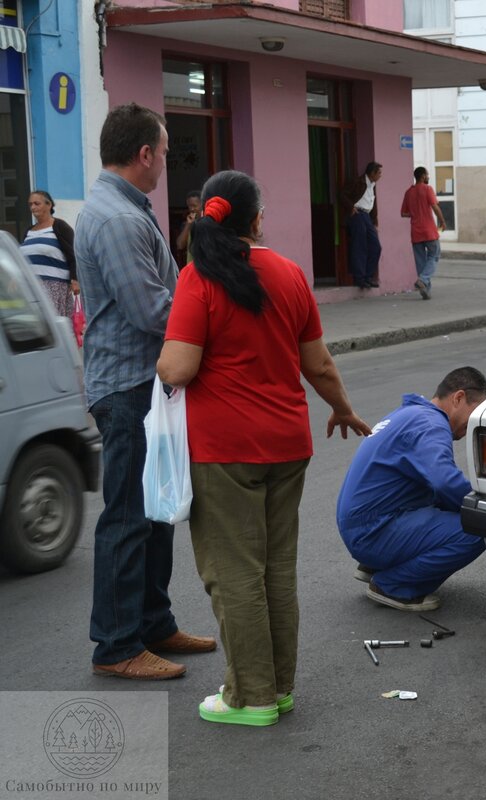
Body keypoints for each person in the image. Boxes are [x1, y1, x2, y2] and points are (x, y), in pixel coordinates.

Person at [157, 170, 371, 727]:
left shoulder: (198, 277)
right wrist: (343, 409)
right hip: (287, 444)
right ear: (256, 220)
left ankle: (249, 698)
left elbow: (178, 367)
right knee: (276, 570)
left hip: (224, 451)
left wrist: (155, 359)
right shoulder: (291, 274)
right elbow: (318, 364)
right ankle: (277, 689)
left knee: (235, 574)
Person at [75, 102, 214, 681]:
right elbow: (151, 309)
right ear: (144, 154)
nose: (165, 162)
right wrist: (212, 311)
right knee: (130, 518)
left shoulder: (123, 208)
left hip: (142, 387)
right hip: (127, 388)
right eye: (162, 150)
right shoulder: (119, 220)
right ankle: (115, 645)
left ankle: (153, 624)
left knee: (155, 513)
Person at [336, 367, 486, 612]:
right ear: (458, 398)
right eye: (475, 412)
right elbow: (445, 482)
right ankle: (393, 585)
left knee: (441, 501)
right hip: (372, 531)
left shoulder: (410, 414)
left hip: (361, 524)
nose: (474, 423)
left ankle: (376, 565)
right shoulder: (431, 424)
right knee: (477, 529)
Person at [20, 190, 76, 317]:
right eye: (30, 204)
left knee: (53, 328)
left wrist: (75, 279)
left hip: (54, 287)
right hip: (31, 288)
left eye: (36, 203)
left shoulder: (60, 226)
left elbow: (74, 255)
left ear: (49, 205)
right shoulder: (29, 231)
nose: (33, 207)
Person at [400, 166, 446, 300]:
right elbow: (435, 207)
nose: (428, 177)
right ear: (423, 176)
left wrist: (414, 213)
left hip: (415, 232)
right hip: (429, 231)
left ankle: (425, 290)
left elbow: (403, 213)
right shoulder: (427, 189)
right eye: (427, 175)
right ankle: (424, 279)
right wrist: (442, 221)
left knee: (421, 262)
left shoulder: (408, 192)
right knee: (434, 255)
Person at [341, 162, 383, 289]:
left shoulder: (373, 185)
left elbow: (373, 204)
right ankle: (359, 278)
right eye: (379, 173)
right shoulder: (358, 181)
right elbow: (342, 194)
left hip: (367, 216)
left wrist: (375, 222)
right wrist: (351, 208)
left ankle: (368, 276)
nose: (381, 175)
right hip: (358, 214)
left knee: (376, 246)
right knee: (360, 246)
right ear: (372, 173)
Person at [174, 190, 202, 265]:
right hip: (192, 267)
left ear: (202, 205)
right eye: (190, 206)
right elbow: (180, 245)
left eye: (194, 205)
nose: (192, 209)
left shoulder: (208, 222)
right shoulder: (187, 223)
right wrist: (188, 225)